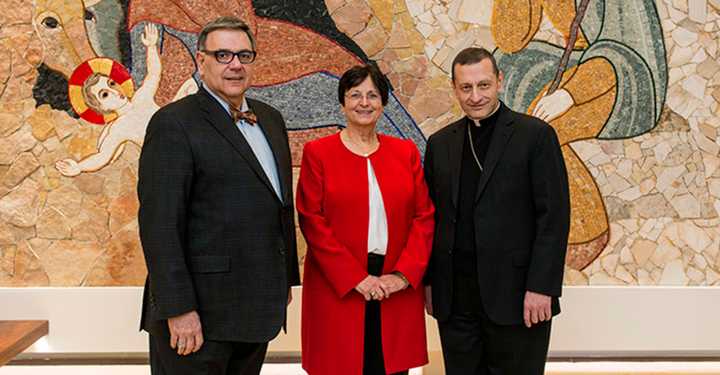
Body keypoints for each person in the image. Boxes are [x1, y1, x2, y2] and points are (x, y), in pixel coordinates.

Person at [137, 16, 299, 375]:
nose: (235, 64)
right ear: (201, 60)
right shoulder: (173, 123)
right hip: (197, 319)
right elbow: (159, 225)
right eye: (223, 55)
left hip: (256, 309)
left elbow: (278, 206)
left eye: (244, 55)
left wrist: (284, 278)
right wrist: (178, 309)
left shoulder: (270, 119)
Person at [423, 47, 570, 374]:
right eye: (466, 87)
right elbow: (431, 219)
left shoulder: (535, 136)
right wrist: (431, 283)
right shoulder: (440, 143)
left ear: (499, 81)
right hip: (456, 303)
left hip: (519, 299)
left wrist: (542, 287)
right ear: (454, 88)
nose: (475, 96)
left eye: (483, 85)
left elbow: (554, 218)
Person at [296, 64, 435, 375]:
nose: (364, 102)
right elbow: (311, 220)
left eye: (373, 95)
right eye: (355, 94)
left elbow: (423, 217)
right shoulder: (318, 153)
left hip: (394, 286)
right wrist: (355, 278)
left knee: (390, 365)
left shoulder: (405, 152)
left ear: (383, 103)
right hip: (339, 287)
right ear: (343, 102)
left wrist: (402, 276)